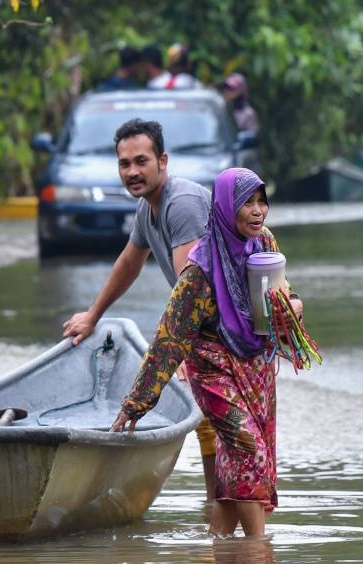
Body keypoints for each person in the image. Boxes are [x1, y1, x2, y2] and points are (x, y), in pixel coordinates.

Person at [110, 167, 304, 537]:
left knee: (241, 457)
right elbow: (170, 340)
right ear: (226, 206)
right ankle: (257, 550)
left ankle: (221, 545)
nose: (257, 210)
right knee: (249, 449)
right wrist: (136, 403)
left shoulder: (264, 244)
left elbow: (283, 294)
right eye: (247, 202)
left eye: (261, 201)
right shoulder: (200, 271)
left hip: (255, 367)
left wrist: (294, 306)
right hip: (213, 371)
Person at [61, 118, 221, 505]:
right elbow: (130, 262)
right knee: (211, 434)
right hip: (204, 335)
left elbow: (191, 288)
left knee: (226, 437)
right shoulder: (147, 207)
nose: (132, 171)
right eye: (124, 164)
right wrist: (93, 315)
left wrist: (176, 350)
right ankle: (221, 537)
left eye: (141, 161)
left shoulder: (180, 203)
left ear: (162, 161)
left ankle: (233, 536)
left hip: (225, 336)